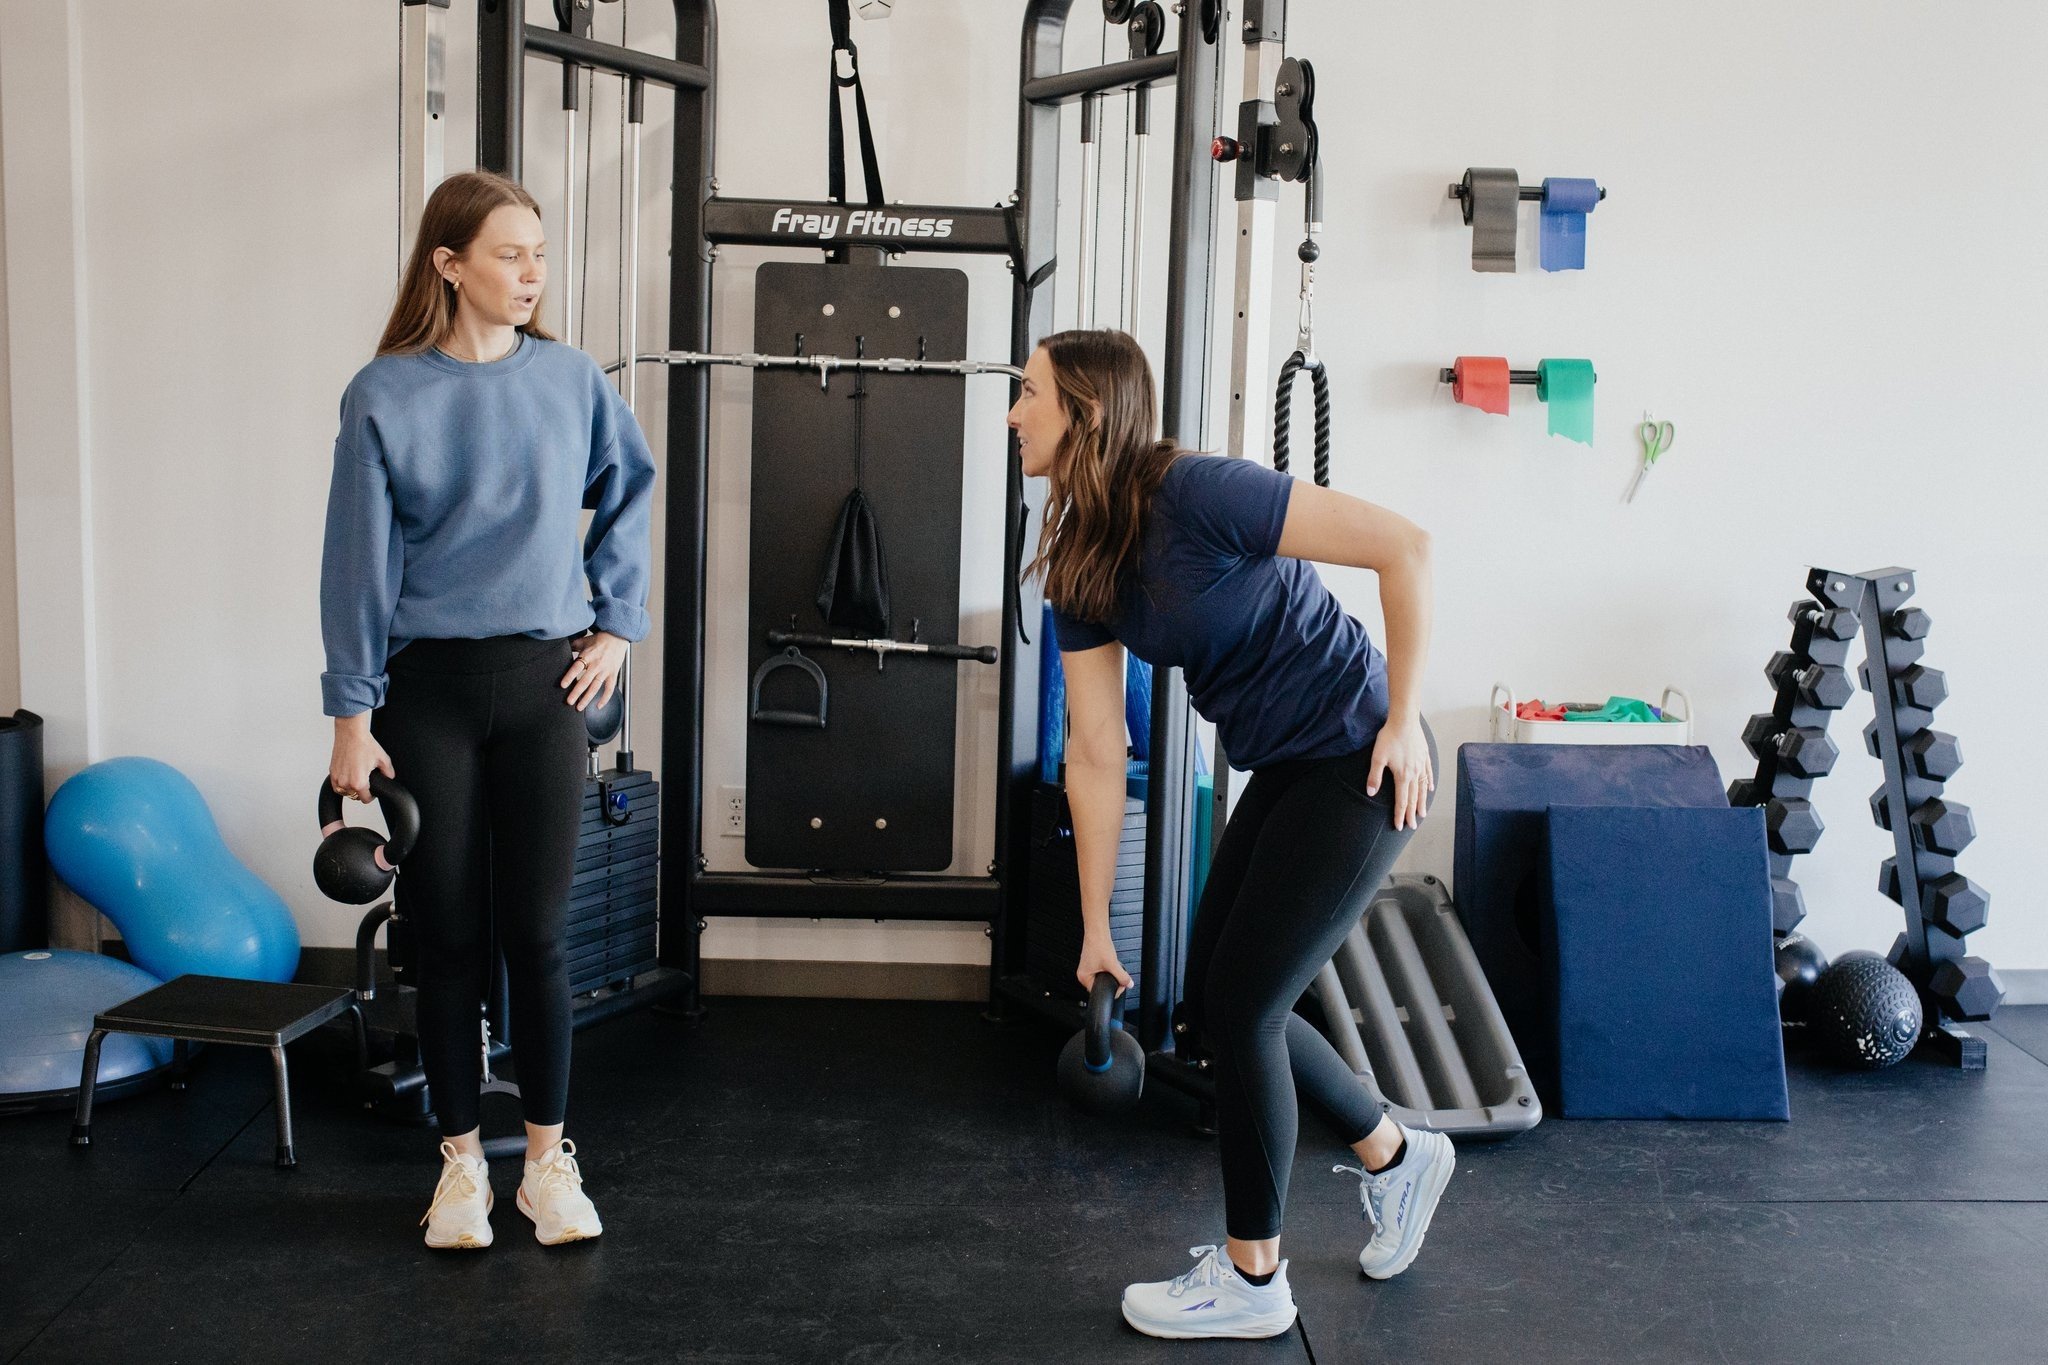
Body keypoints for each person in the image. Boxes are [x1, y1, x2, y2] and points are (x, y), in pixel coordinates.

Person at [1009, 330, 1452, 1339]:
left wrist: (1401, 716)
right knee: (1218, 1001)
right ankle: (1396, 1154)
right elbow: (1090, 749)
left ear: (1080, 409)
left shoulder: (1199, 492)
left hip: (1360, 754)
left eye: (1025, 393)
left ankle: (1254, 1282)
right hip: (1286, 768)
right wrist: (1092, 927)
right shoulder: (1082, 556)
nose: (1011, 413)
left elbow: (1404, 546)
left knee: (1246, 1006)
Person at [321, 170, 655, 1250]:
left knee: (540, 934)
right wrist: (349, 718)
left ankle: (548, 1162)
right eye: (510, 254)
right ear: (448, 264)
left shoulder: (568, 380)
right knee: (448, 935)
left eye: (540, 256)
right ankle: (462, 1166)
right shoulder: (384, 394)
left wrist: (617, 623)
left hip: (544, 684)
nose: (531, 275)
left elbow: (631, 484)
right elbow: (354, 571)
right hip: (426, 694)